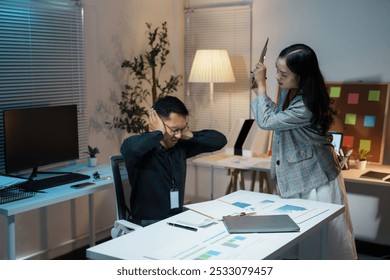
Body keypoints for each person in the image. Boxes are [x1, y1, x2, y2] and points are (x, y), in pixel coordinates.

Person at [251, 43, 357, 259]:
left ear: (301, 76)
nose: (278, 77)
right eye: (276, 70)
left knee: (326, 242)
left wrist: (262, 84)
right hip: (296, 176)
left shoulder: (307, 104)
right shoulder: (290, 92)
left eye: (283, 73)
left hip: (316, 179)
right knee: (300, 240)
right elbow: (278, 117)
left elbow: (267, 120)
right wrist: (257, 89)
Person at [120, 95, 227, 227]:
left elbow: (220, 141)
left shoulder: (180, 146)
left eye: (182, 129)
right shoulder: (139, 149)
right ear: (157, 123)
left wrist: (190, 135)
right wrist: (158, 133)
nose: (178, 135)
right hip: (148, 224)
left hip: (177, 220)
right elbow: (128, 148)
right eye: (174, 129)